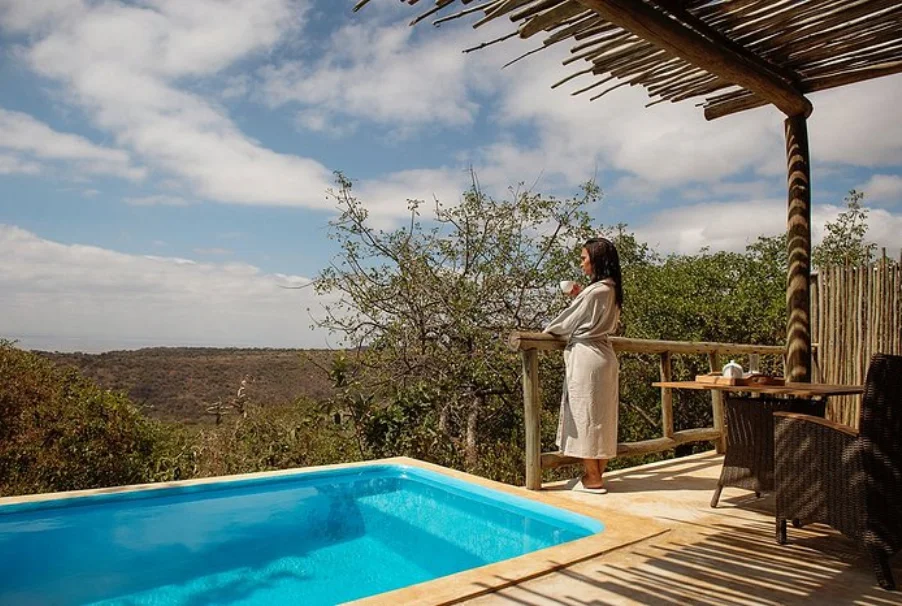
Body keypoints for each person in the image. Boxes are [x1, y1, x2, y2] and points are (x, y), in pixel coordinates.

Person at [543, 237, 623, 492]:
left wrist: (547, 331)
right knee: (602, 417)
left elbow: (564, 323)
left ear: (596, 260)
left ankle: (592, 478)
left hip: (588, 357)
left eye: (584, 258)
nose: (581, 264)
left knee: (585, 415)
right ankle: (596, 475)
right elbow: (595, 317)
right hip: (605, 355)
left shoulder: (596, 291)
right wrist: (581, 296)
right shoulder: (611, 289)